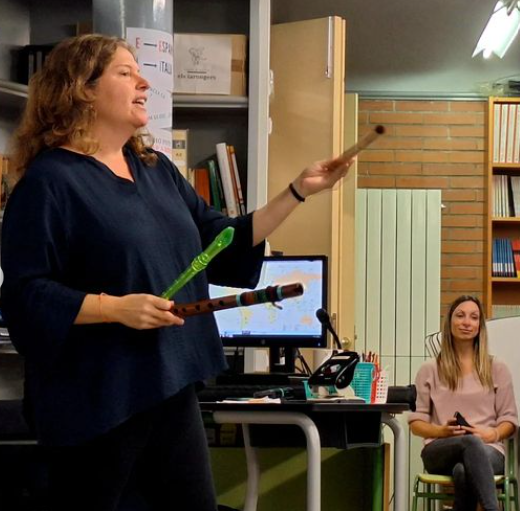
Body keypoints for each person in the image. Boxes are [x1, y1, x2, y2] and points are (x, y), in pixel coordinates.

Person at [0, 34, 353, 511]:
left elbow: (220, 242)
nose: (143, 82)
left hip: (170, 380)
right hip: (97, 397)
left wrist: (297, 191)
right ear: (82, 89)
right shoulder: (49, 181)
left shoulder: (156, 170)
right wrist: (113, 308)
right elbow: (25, 295)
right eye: (125, 73)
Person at [408, 295, 518, 511]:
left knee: (462, 470)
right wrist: (441, 431)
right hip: (440, 450)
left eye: (474, 317)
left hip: (489, 450)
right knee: (470, 442)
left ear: (480, 326)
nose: (467, 322)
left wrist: (491, 434)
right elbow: (416, 424)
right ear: (449, 322)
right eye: (460, 316)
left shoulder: (497, 368)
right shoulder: (429, 369)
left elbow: (509, 420)